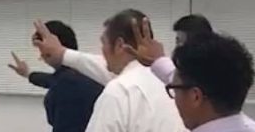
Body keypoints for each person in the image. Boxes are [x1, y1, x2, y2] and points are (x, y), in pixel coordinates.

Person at [34, 14, 214, 87]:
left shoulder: (122, 89)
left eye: (181, 42)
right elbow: (97, 65)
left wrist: (62, 53)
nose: (178, 49)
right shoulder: (166, 78)